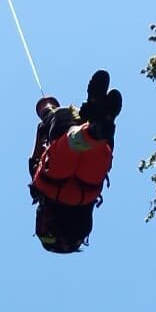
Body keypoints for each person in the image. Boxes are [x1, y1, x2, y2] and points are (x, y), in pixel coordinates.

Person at [28, 70, 122, 254]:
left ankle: (97, 128)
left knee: (100, 149)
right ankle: (92, 127)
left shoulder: (76, 233)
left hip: (86, 191)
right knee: (65, 133)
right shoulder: (41, 193)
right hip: (53, 185)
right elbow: (38, 156)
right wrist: (47, 117)